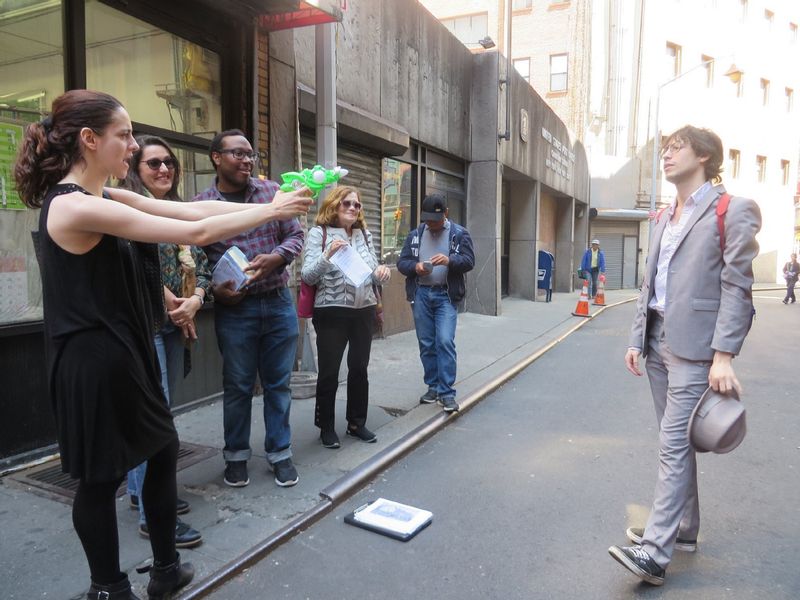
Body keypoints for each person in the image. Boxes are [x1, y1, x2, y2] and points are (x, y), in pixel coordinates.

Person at [14, 90, 312, 600]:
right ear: (90, 139)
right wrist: (271, 213)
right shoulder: (71, 208)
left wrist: (270, 203)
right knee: (100, 478)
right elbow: (196, 232)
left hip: (122, 350)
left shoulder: (104, 196)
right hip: (92, 359)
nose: (132, 145)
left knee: (161, 448)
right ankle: (107, 587)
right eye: (124, 135)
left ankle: (165, 569)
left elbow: (189, 210)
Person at [610, 125, 761, 586]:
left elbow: (737, 287)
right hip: (657, 343)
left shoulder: (731, 210)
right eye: (665, 149)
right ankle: (686, 530)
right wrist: (638, 338)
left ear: (705, 156)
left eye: (677, 148)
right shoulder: (662, 216)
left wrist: (724, 356)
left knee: (673, 445)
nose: (667, 156)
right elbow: (649, 284)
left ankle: (655, 552)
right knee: (674, 443)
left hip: (696, 352)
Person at [193, 130, 304, 489]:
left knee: (278, 384)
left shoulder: (272, 193)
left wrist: (277, 258)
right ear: (216, 157)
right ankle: (236, 457)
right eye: (237, 154)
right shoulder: (202, 204)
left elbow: (296, 236)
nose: (246, 160)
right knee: (238, 385)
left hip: (277, 302)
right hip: (235, 311)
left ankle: (280, 453)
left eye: (250, 155)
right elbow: (198, 261)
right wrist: (216, 291)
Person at [118, 135, 210, 548]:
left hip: (177, 326)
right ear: (136, 170)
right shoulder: (126, 209)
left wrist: (195, 299)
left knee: (161, 412)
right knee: (153, 417)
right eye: (153, 164)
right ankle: (151, 511)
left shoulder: (181, 213)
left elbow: (203, 264)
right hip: (146, 326)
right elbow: (128, 267)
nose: (163, 170)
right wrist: (165, 297)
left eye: (168, 163)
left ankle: (143, 493)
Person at [300, 186, 391, 449]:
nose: (353, 208)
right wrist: (328, 255)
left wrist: (382, 271)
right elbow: (307, 275)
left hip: (363, 310)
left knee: (359, 368)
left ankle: (356, 422)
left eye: (357, 205)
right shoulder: (320, 233)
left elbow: (372, 271)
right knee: (329, 372)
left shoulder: (363, 234)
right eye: (347, 204)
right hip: (331, 311)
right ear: (334, 206)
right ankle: (326, 426)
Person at [396, 193, 475, 413]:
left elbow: (469, 261)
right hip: (421, 293)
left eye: (435, 220)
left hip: (445, 296)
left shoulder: (459, 234)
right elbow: (402, 262)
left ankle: (447, 392)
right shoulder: (416, 234)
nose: (430, 224)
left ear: (446, 214)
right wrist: (416, 267)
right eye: (427, 219)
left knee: (445, 341)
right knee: (427, 343)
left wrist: (450, 261)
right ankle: (433, 386)